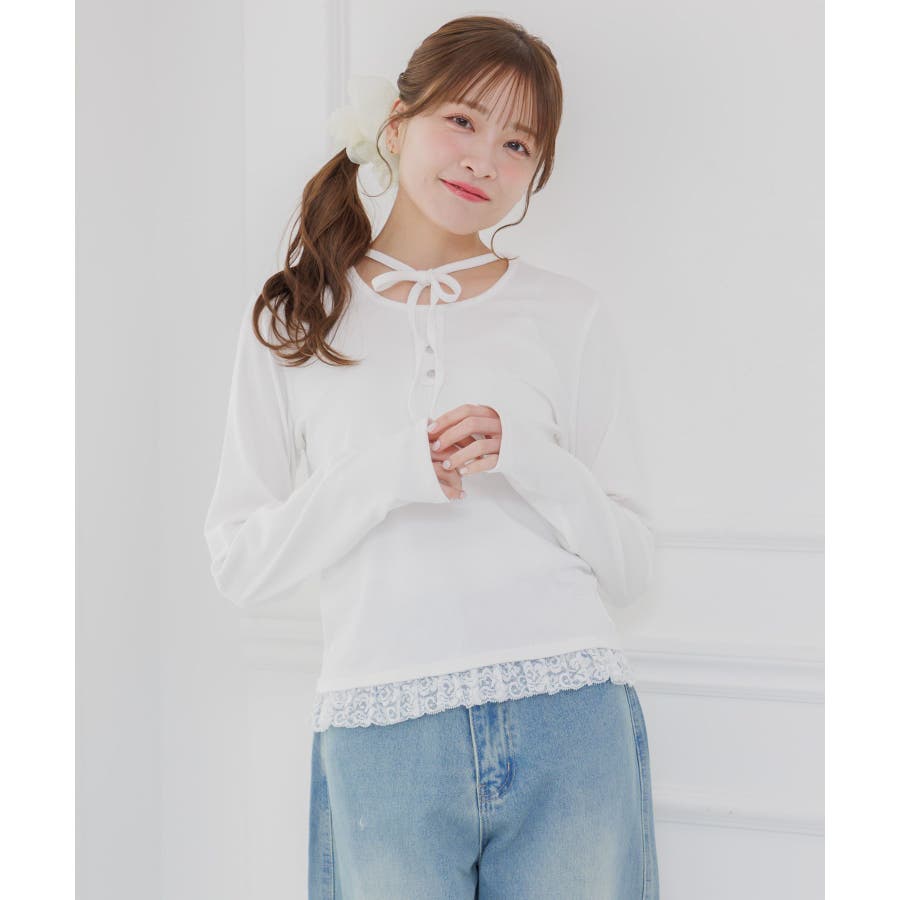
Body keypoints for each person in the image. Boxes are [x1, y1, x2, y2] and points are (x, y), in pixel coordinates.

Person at [204, 14, 660, 900]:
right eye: (462, 120)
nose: (484, 159)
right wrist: (385, 473)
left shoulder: (569, 315)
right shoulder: (299, 319)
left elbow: (632, 566)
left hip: (568, 719)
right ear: (398, 122)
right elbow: (240, 565)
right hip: (385, 733)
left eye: (517, 142)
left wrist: (525, 454)